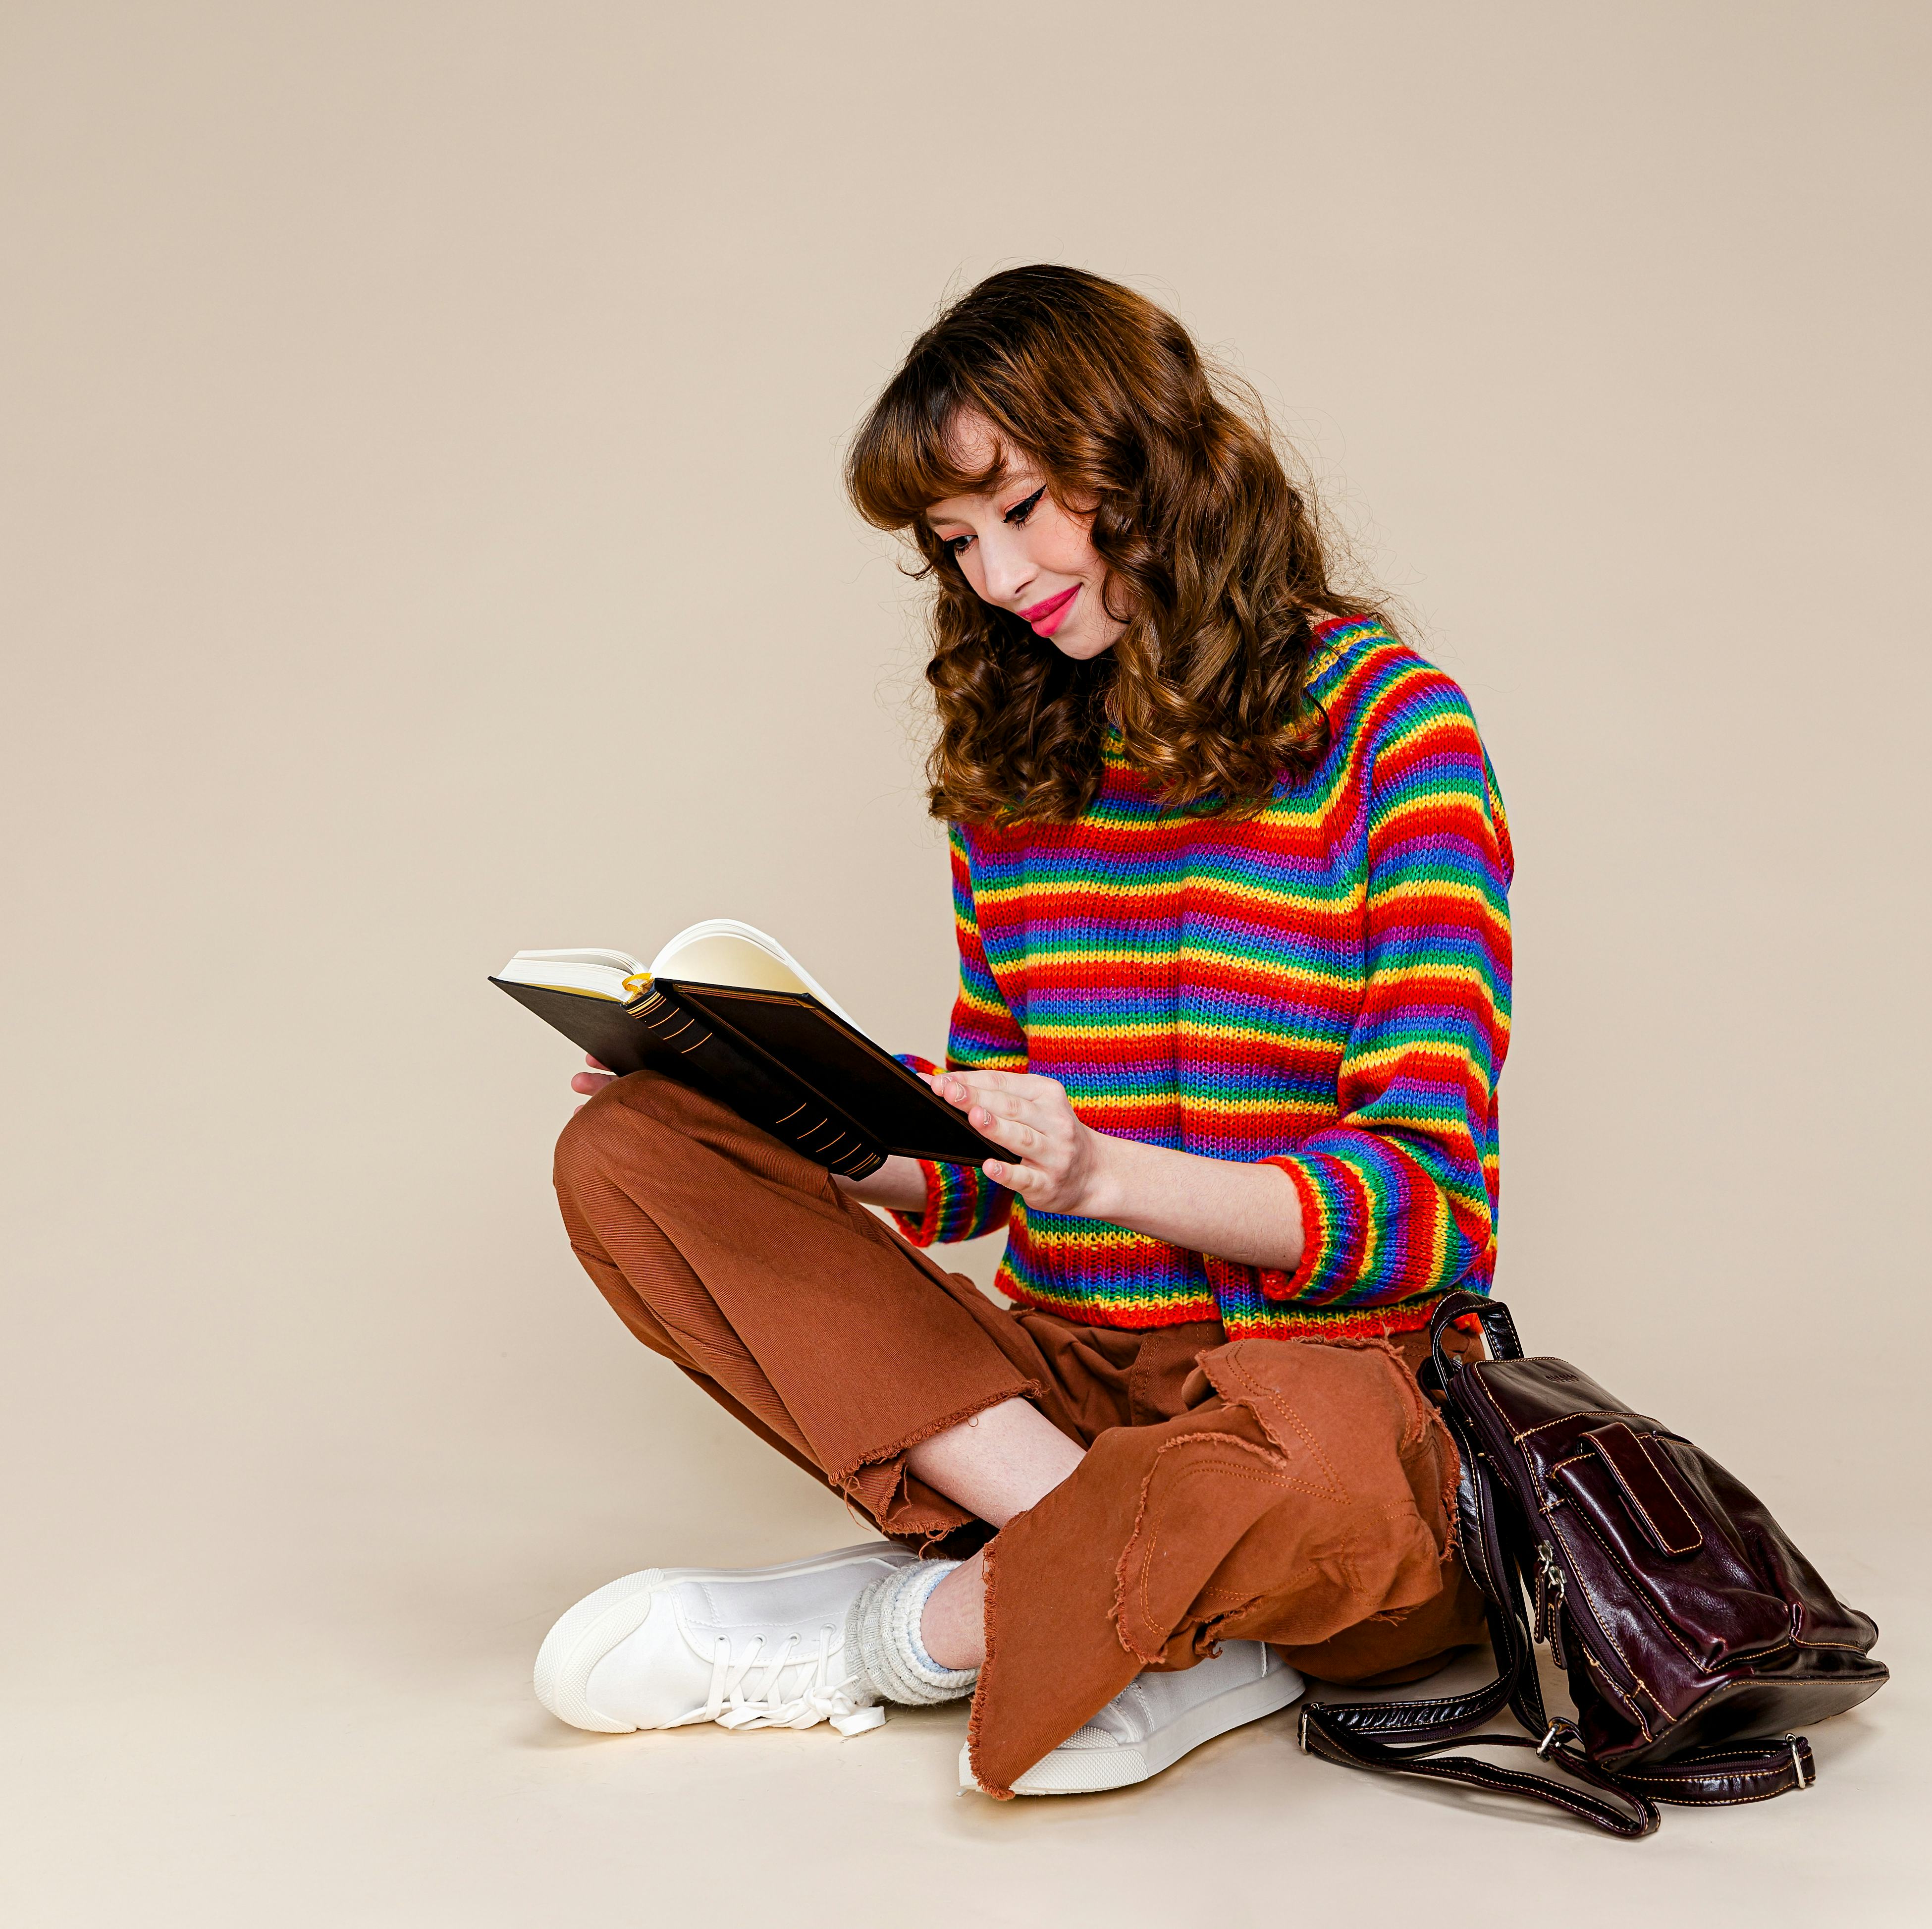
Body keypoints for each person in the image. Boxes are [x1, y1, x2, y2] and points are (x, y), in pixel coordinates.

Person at [536, 265, 1514, 1799]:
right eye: (954, 544)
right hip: (1057, 1392)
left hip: (1316, 1391)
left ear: (1141, 456)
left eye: (1023, 507)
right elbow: (991, 1160)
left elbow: (1422, 1211)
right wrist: (762, 1111)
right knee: (628, 1144)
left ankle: (915, 1629)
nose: (995, 577)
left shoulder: (1399, 734)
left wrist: (1102, 1174)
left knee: (1344, 1485)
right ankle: (1131, 1585)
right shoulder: (1024, 772)